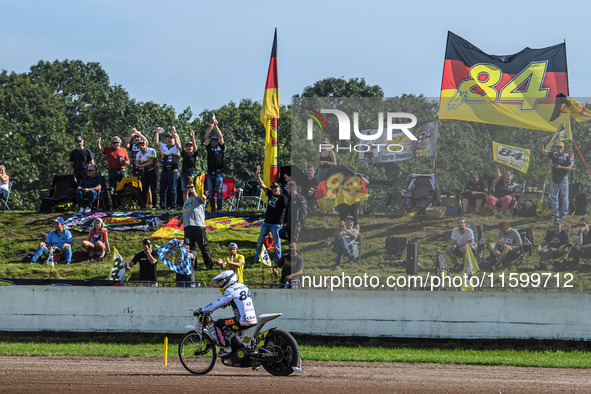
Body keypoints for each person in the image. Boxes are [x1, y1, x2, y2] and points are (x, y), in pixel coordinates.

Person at [197, 270, 257, 356]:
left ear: (229, 279)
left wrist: (202, 310)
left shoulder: (230, 290)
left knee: (218, 323)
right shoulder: (243, 286)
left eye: (222, 281)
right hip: (252, 318)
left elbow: (216, 304)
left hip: (241, 320)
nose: (221, 284)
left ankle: (226, 348)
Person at [254, 165, 288, 264]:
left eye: (275, 188)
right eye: (272, 188)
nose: (274, 190)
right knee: (261, 240)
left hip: (277, 223)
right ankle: (258, 259)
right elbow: (262, 185)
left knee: (277, 243)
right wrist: (258, 174)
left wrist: (285, 223)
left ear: (279, 188)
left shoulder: (283, 198)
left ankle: (277, 260)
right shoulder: (270, 194)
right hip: (266, 222)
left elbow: (285, 210)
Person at [177, 182, 213, 270]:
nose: (190, 189)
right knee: (190, 247)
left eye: (191, 187)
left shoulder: (198, 197)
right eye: (188, 187)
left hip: (198, 226)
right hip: (188, 227)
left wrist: (203, 193)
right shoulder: (187, 201)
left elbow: (204, 198)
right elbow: (183, 212)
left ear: (195, 187)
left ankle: (209, 266)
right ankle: (193, 266)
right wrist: (180, 222)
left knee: (203, 247)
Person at [540, 138, 572, 217]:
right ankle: (555, 212)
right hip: (554, 178)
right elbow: (542, 151)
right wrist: (542, 142)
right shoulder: (553, 154)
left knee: (564, 195)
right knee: (554, 196)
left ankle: (564, 212)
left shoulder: (566, 156)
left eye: (561, 147)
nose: (559, 149)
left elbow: (570, 168)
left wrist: (560, 167)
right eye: (558, 147)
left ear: (563, 148)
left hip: (563, 178)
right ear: (556, 148)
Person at [155, 126, 181, 210]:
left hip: (173, 172)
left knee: (173, 190)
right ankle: (163, 207)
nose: (169, 140)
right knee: (162, 190)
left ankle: (173, 206)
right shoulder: (164, 146)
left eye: (171, 138)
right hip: (164, 172)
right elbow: (156, 143)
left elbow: (179, 142)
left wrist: (175, 132)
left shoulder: (176, 147)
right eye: (168, 138)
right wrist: (157, 133)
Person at [204, 119, 225, 212]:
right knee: (211, 193)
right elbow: (205, 138)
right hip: (209, 173)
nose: (214, 142)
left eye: (215, 140)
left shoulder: (221, 148)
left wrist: (216, 126)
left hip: (218, 173)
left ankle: (219, 209)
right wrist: (210, 127)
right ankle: (213, 209)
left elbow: (221, 136)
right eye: (212, 140)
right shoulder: (209, 149)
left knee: (219, 192)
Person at [135, 138, 159, 210]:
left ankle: (154, 205)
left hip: (154, 172)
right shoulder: (138, 153)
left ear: (146, 145)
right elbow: (137, 163)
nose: (141, 146)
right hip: (145, 172)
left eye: (143, 145)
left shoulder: (152, 151)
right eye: (140, 145)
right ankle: (143, 205)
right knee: (144, 189)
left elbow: (151, 162)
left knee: (153, 189)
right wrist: (138, 166)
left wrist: (140, 166)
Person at [180, 129, 199, 202]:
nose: (189, 147)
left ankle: (194, 204)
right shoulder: (184, 154)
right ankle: (186, 205)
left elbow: (195, 146)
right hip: (184, 173)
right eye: (188, 146)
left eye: (190, 146)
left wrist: (192, 137)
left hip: (192, 173)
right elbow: (179, 147)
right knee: (185, 190)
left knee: (192, 189)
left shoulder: (194, 155)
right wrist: (175, 135)